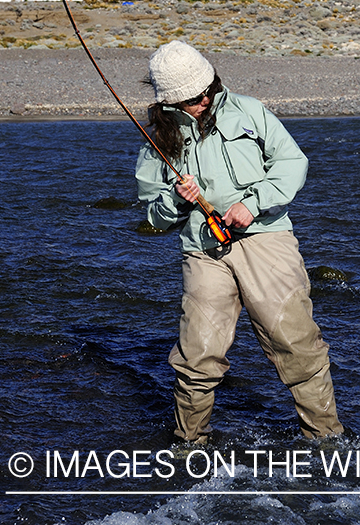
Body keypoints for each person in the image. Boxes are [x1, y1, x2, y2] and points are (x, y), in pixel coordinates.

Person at [135, 40, 343, 443]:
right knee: (197, 357)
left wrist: (253, 203)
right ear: (171, 103)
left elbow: (292, 162)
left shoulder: (249, 111)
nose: (205, 99)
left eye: (208, 88)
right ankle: (189, 446)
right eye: (194, 98)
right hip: (203, 252)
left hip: (267, 240)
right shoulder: (157, 145)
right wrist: (178, 199)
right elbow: (153, 217)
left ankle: (325, 440)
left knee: (296, 344)